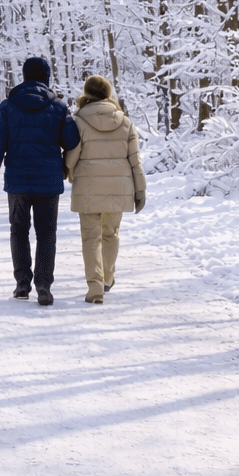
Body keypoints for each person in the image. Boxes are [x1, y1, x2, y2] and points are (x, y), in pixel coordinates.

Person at [0, 57, 80, 306]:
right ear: (46, 77)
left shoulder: (8, 106)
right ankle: (44, 285)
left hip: (17, 181)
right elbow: (71, 141)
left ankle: (22, 284)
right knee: (47, 233)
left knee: (19, 231)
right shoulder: (57, 107)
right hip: (48, 181)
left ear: (24, 76)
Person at [63, 75, 147, 304]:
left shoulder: (78, 121)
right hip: (118, 187)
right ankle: (108, 278)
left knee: (90, 238)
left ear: (86, 93)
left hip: (88, 187)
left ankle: (95, 287)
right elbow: (135, 160)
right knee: (111, 234)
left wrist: (66, 172)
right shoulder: (125, 122)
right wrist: (140, 190)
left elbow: (72, 156)